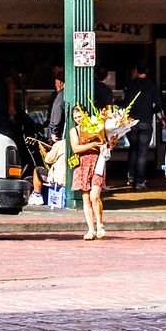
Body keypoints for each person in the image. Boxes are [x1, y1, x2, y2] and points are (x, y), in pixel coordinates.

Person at [70, 96, 108, 241]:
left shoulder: (96, 126)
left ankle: (100, 225)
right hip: (82, 165)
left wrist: (105, 142)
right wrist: (92, 145)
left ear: (86, 114)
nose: (78, 119)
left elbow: (105, 142)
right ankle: (91, 229)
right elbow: (76, 148)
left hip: (97, 163)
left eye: (80, 116)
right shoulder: (74, 131)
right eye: (75, 117)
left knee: (95, 196)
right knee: (86, 198)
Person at [123, 62, 160, 191]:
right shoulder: (152, 85)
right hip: (146, 122)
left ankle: (130, 177)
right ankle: (139, 182)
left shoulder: (130, 84)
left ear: (136, 70)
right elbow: (157, 104)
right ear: (147, 70)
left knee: (133, 149)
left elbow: (125, 103)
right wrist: (160, 118)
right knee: (142, 153)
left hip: (132, 122)